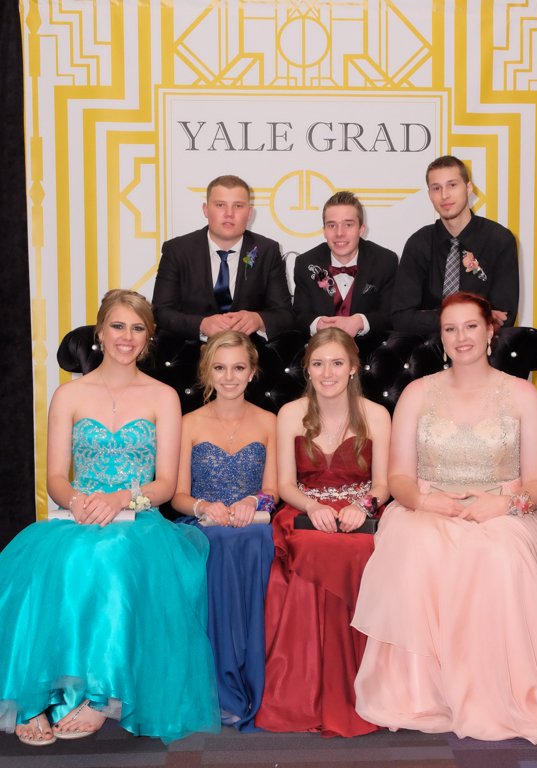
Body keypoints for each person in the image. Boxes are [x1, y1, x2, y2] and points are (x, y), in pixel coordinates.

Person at [353, 291, 537, 744]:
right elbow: (399, 477)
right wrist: (425, 501)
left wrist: (503, 505)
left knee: (501, 552)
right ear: (441, 338)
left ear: (489, 332)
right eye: (450, 329)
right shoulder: (417, 393)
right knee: (415, 546)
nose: (460, 337)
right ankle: (425, 690)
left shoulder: (523, 395)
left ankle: (502, 689)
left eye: (470, 326)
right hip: (428, 506)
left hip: (505, 507)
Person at [0, 289, 220, 746]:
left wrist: (122, 498)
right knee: (44, 567)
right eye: (118, 326)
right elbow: (55, 477)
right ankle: (35, 697)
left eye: (138, 328)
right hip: (78, 515)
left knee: (112, 558)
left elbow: (165, 484)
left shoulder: (163, 396)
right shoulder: (69, 394)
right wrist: (77, 500)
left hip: (138, 520)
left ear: (149, 337)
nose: (127, 336)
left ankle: (101, 697)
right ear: (100, 331)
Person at [255, 328, 391, 737]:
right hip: (305, 512)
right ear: (307, 369)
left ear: (353, 368)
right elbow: (285, 485)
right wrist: (312, 506)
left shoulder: (377, 415)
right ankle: (305, 692)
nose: (327, 373)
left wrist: (361, 507)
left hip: (359, 514)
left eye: (336, 363)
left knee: (360, 550)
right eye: (318, 364)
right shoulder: (290, 414)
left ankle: (359, 689)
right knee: (313, 548)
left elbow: (383, 485)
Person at [171, 330, 276, 731]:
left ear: (252, 372)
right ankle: (218, 683)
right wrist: (203, 506)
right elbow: (178, 495)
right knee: (214, 542)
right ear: (207, 372)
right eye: (220, 368)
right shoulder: (188, 423)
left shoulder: (269, 422)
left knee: (255, 539)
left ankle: (250, 676)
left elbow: (274, 490)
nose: (229, 377)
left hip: (253, 526)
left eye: (238, 368)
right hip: (202, 524)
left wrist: (253, 501)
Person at [152, 174, 294, 340]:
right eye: (220, 205)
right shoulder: (177, 250)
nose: (229, 214)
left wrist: (258, 320)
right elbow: (161, 312)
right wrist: (201, 325)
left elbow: (285, 314)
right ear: (205, 209)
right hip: (190, 349)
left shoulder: (267, 251)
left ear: (249, 213)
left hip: (249, 349)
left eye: (238, 206)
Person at [392, 155, 519, 335]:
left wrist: (429, 318)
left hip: (483, 346)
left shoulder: (499, 240)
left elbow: (503, 318)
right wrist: (475, 316)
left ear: (468, 188)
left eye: (452, 185)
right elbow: (401, 318)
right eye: (436, 188)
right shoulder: (418, 243)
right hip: (427, 346)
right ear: (429, 195)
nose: (444, 195)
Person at [293, 191, 398, 337]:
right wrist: (317, 324)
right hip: (321, 347)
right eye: (332, 225)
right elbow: (298, 316)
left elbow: (392, 314)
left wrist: (361, 321)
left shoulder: (385, 261)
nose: (339, 233)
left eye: (348, 225)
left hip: (370, 347)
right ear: (324, 231)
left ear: (361, 229)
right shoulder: (306, 263)